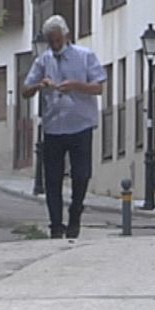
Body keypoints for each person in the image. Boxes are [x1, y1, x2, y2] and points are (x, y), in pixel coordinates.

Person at [20, 15, 106, 238]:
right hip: (53, 127)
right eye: (51, 42)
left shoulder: (85, 56)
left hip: (81, 124)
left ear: (66, 36)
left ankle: (76, 211)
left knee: (81, 174)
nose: (55, 45)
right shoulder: (43, 61)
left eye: (58, 40)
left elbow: (99, 87)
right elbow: (25, 90)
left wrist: (77, 86)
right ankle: (56, 225)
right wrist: (41, 85)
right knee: (52, 179)